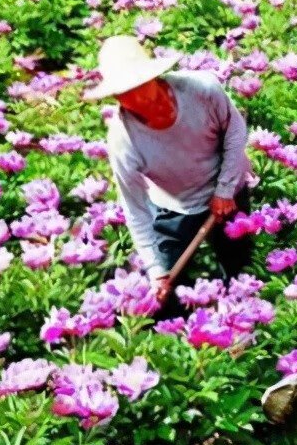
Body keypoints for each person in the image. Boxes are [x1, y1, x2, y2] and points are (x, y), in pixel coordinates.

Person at [83, 35, 253, 315]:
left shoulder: (201, 90)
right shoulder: (123, 140)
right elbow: (135, 208)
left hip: (227, 187)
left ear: (153, 77)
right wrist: (155, 270)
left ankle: (242, 319)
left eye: (136, 86)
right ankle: (180, 333)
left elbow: (235, 132)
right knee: (166, 291)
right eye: (122, 93)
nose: (132, 99)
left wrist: (224, 189)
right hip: (175, 206)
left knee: (240, 267)